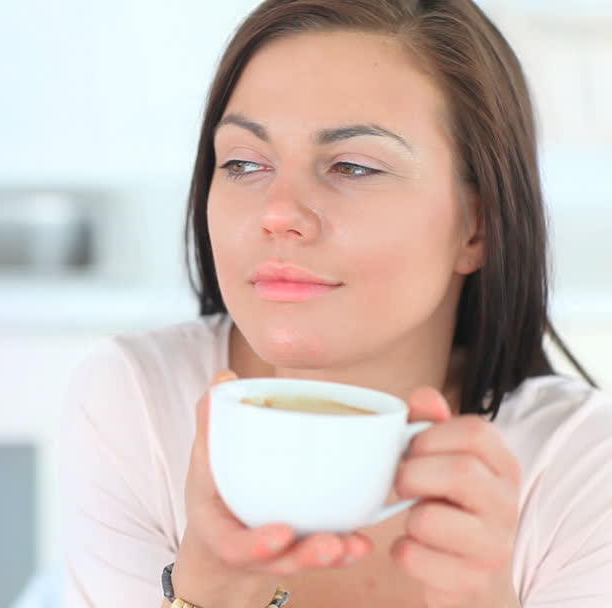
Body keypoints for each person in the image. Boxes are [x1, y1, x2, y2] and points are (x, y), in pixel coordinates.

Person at [58, 1, 612, 606]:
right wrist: (207, 593)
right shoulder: (136, 401)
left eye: (352, 166)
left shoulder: (586, 473)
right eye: (243, 163)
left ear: (477, 227)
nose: (278, 213)